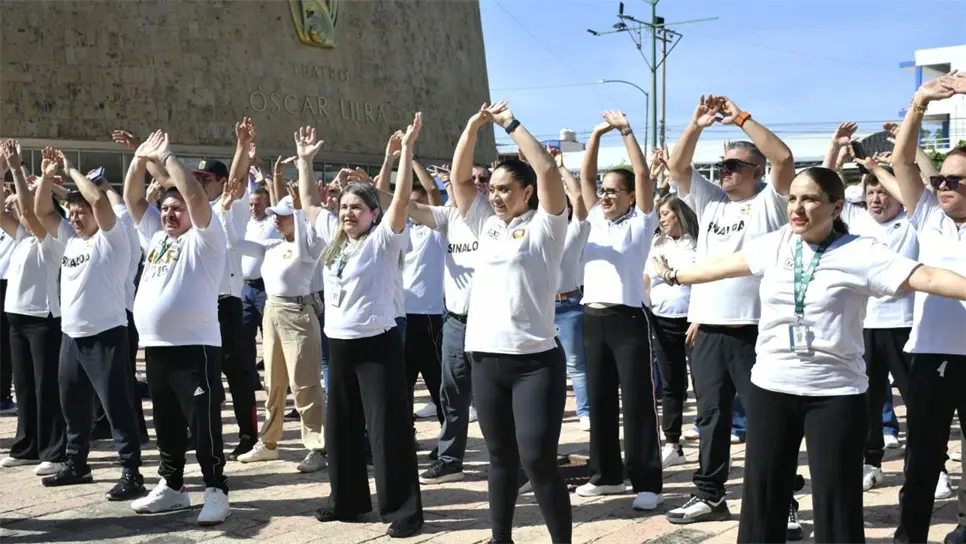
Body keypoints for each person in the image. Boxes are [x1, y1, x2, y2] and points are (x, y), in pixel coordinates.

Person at [652, 165, 966, 543]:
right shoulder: (777, 243)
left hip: (836, 394)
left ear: (836, 207)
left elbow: (926, 277)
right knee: (763, 499)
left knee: (836, 503)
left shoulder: (860, 252)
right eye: (794, 198)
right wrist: (674, 276)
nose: (797, 208)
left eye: (811, 199)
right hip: (772, 387)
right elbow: (723, 266)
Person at [663, 95, 798, 534]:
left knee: (767, 423)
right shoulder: (711, 201)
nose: (725, 170)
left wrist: (741, 119)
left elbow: (784, 156)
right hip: (708, 332)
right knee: (710, 419)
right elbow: (678, 168)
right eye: (723, 164)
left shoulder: (771, 202)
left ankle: (782, 499)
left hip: (756, 332)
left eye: (735, 164)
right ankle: (710, 494)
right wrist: (697, 123)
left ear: (755, 171)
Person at [450, 100, 572, 543]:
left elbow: (549, 172)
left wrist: (511, 124)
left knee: (538, 460)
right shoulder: (485, 223)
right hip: (486, 358)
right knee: (499, 459)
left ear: (527, 193)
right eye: (493, 189)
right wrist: (472, 125)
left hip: (534, 362)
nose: (496, 195)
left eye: (505, 189)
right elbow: (460, 179)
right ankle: (501, 538)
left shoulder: (546, 227)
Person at [298, 117, 424, 539]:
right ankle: (348, 501)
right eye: (344, 207)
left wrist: (406, 151)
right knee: (342, 429)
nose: (347, 213)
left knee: (388, 431)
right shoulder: (335, 240)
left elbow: (402, 199)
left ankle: (403, 509)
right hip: (340, 345)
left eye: (357, 208)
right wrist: (304, 163)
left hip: (378, 346)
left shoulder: (384, 240)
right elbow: (310, 206)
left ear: (374, 213)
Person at [123, 130, 230, 526]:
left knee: (203, 424)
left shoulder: (206, 238)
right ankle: (172, 486)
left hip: (194, 347)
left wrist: (168, 157)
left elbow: (198, 199)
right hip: (156, 346)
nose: (169, 214)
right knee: (166, 421)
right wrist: (137, 158)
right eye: (165, 209)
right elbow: (135, 200)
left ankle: (217, 489)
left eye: (177, 209)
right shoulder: (155, 236)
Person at [31, 146, 144, 501]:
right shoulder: (70, 239)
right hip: (72, 336)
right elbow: (41, 211)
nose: (76, 218)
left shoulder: (111, 239)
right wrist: (47, 178)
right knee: (72, 404)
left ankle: (131, 472)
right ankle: (77, 463)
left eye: (81, 213)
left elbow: (99, 202)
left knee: (116, 405)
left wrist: (70, 168)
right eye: (73, 213)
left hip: (106, 335)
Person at [886, 71, 966, 544]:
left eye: (955, 178)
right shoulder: (930, 218)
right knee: (922, 458)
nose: (943, 184)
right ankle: (909, 535)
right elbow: (901, 161)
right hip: (930, 357)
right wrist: (919, 102)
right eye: (940, 177)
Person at [573, 109, 661, 512]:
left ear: (628, 196)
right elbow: (585, 179)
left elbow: (644, 176)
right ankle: (606, 474)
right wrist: (594, 134)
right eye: (604, 191)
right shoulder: (594, 219)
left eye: (614, 191)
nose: (605, 196)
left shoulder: (640, 223)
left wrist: (625, 131)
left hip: (628, 318)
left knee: (638, 401)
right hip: (592, 318)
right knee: (602, 397)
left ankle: (647, 480)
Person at [220, 178, 327, 474]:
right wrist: (226, 212)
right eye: (275, 217)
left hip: (298, 312)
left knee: (305, 384)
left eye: (282, 217)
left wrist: (300, 208)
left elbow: (309, 235)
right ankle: (268, 442)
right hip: (272, 311)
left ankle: (318, 446)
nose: (276, 222)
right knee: (273, 383)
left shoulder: (309, 246)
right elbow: (235, 244)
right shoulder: (271, 246)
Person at [0, 143, 66, 475]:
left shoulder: (52, 240)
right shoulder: (24, 238)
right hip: (17, 318)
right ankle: (27, 445)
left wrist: (16, 168)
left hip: (43, 319)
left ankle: (54, 451)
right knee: (24, 385)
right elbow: (2, 212)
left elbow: (28, 211)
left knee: (46, 387)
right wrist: (1, 171)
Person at [644, 194, 698, 468]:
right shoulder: (656, 243)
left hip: (694, 321)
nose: (662, 218)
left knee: (703, 384)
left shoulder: (697, 243)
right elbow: (646, 279)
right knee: (670, 384)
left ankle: (709, 438)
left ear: (680, 214)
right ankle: (673, 443)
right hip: (662, 320)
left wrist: (700, 318)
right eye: (660, 214)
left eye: (666, 213)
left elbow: (705, 282)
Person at [546, 145, 591, 432]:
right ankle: (552, 410)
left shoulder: (576, 229)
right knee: (546, 365)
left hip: (569, 305)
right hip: (541, 306)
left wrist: (560, 167)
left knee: (576, 364)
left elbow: (578, 197)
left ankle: (585, 411)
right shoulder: (541, 232)